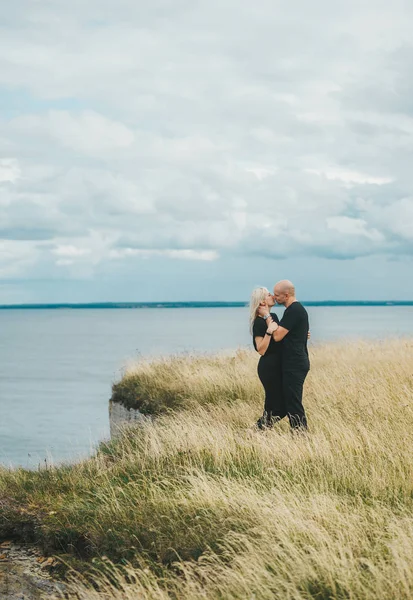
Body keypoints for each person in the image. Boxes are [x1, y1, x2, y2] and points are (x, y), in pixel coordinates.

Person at [258, 280, 310, 430]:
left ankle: (301, 438)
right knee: (285, 403)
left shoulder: (294, 310)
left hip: (295, 364)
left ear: (286, 295)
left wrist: (267, 315)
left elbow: (277, 336)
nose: (274, 297)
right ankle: (259, 429)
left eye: (277, 295)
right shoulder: (293, 310)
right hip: (293, 363)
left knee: (293, 404)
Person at [249, 287, 286, 429]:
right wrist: (269, 332)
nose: (273, 296)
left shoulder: (274, 317)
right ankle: (255, 431)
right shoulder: (258, 322)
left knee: (280, 405)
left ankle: (259, 431)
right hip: (268, 367)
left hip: (279, 365)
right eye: (269, 295)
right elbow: (261, 349)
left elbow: (281, 340)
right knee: (273, 405)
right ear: (262, 301)